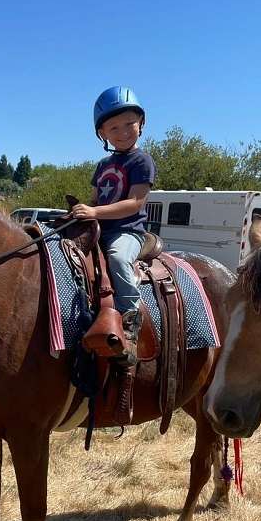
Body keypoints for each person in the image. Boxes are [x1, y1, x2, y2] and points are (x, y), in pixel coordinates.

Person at [71, 85, 155, 365]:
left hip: (128, 231)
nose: (122, 132)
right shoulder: (103, 165)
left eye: (129, 124)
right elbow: (94, 199)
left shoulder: (142, 161)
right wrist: (81, 213)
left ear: (141, 124)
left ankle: (131, 323)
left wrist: (94, 210)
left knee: (118, 259)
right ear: (103, 134)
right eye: (114, 128)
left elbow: (134, 203)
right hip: (101, 230)